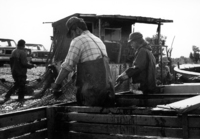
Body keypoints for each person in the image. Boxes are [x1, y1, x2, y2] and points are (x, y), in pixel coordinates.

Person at [51, 16, 115, 107]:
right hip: (108, 92)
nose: (72, 36)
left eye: (72, 33)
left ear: (77, 29)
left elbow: (67, 66)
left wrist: (56, 84)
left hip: (92, 93)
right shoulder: (98, 40)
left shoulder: (78, 40)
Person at [0, 39, 35, 104]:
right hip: (21, 72)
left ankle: (10, 96)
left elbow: (11, 62)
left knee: (17, 84)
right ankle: (20, 99)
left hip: (14, 71)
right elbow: (24, 64)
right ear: (23, 45)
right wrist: (32, 65)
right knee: (21, 85)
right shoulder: (23, 52)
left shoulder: (14, 51)